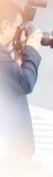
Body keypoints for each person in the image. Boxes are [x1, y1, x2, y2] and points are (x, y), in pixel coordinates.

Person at [0, 13, 40, 158]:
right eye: (17, 27)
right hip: (9, 154)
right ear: (5, 25)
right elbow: (25, 82)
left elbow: (11, 80)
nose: (17, 33)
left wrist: (18, 59)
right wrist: (32, 51)